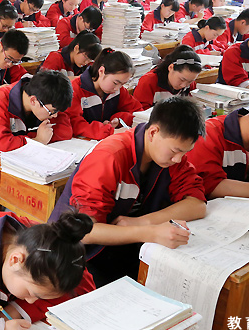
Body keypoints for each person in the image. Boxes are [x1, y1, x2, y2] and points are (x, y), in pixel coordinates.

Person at [51, 97, 207, 285]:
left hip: (124, 247)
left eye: (185, 152)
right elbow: (85, 232)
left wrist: (143, 222)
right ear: (153, 132)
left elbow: (197, 204)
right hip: (79, 255)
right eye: (175, 151)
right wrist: (150, 232)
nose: (178, 159)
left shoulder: (170, 158)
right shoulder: (109, 157)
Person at [0, 70, 74, 205]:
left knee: (51, 204)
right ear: (33, 101)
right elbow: (2, 147)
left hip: (24, 168)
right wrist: (37, 140)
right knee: (15, 210)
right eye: (52, 112)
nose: (55, 116)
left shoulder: (47, 96)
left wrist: (31, 139)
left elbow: (65, 131)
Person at [64, 49, 142, 140]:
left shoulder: (118, 90)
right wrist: (109, 131)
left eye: (123, 84)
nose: (117, 88)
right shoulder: (75, 90)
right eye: (116, 83)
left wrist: (119, 119)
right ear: (101, 71)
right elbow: (75, 124)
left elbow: (138, 113)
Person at [132, 46, 201, 109]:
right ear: (171, 67)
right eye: (182, 79)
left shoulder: (188, 81)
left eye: (190, 81)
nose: (184, 85)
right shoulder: (148, 81)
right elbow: (140, 111)